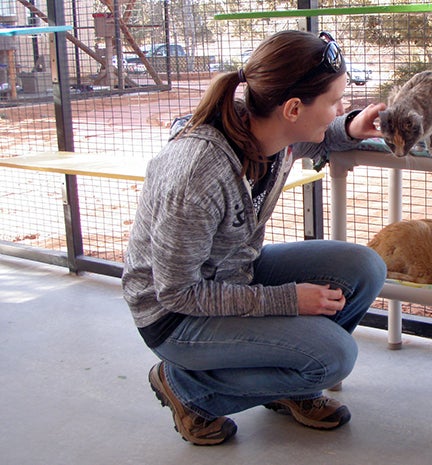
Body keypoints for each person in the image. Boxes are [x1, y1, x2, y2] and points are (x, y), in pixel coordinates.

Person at [121, 30, 387, 446]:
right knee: (333, 358)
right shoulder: (198, 172)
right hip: (174, 316)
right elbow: (175, 292)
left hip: (233, 276)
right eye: (335, 101)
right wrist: (287, 300)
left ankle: (287, 380)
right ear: (294, 108)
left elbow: (320, 133)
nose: (340, 107)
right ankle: (187, 389)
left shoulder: (271, 130)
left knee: (364, 267)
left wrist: (352, 126)